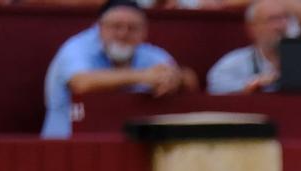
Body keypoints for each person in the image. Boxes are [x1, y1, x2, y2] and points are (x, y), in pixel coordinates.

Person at [41, 0, 191, 140]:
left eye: (132, 28)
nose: (123, 34)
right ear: (99, 27)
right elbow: (81, 83)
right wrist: (142, 76)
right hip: (66, 148)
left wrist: (176, 78)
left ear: (144, 32)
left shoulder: (148, 54)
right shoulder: (76, 48)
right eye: (116, 26)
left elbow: (189, 80)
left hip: (129, 147)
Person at [207, 0, 290, 95]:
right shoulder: (236, 62)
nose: (281, 26)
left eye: (285, 18)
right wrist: (251, 85)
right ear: (252, 28)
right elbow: (215, 86)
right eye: (273, 19)